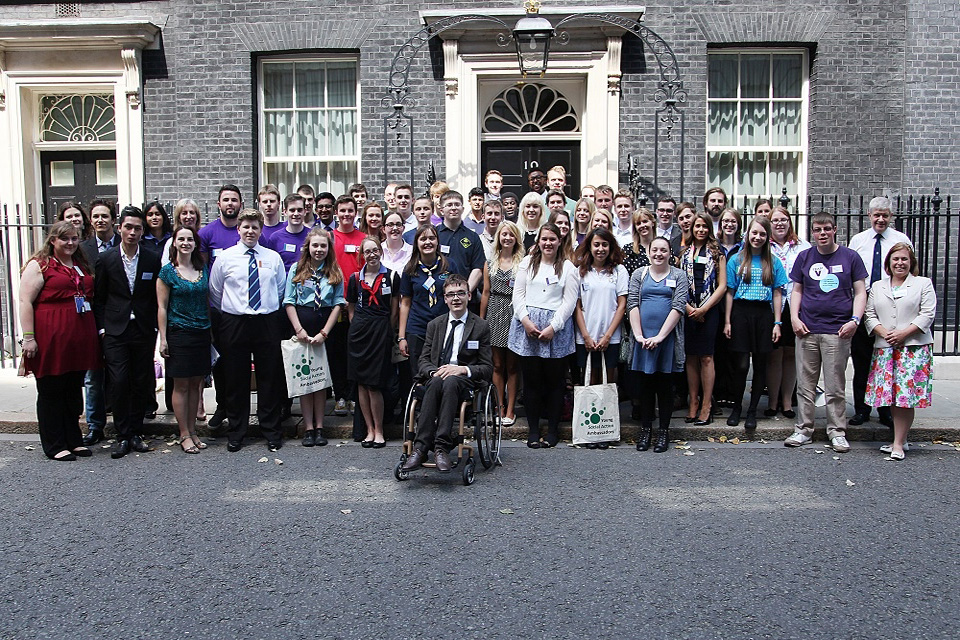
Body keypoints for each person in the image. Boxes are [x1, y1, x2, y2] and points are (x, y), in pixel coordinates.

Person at [784, 212, 868, 452]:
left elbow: (860, 292)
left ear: (835, 230)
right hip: (807, 330)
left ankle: (837, 432)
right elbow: (796, 290)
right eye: (818, 229)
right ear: (813, 232)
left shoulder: (850, 257)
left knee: (835, 386)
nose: (822, 233)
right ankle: (803, 430)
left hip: (838, 331)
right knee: (805, 385)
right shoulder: (804, 257)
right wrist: (794, 318)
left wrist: (855, 320)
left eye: (827, 229)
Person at [19, 221, 101, 460]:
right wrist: (28, 338)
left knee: (73, 391)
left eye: (75, 239)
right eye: (65, 239)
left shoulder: (79, 264)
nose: (70, 243)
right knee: (51, 391)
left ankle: (73, 439)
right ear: (53, 240)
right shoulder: (40, 265)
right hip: (50, 337)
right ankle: (54, 444)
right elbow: (25, 302)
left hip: (77, 338)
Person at [209, 208, 287, 453]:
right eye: (246, 227)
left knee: (269, 378)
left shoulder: (272, 258)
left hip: (267, 322)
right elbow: (215, 291)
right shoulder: (225, 258)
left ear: (261, 230)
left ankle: (271, 431)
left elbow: (281, 289)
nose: (250, 231)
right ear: (238, 229)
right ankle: (237, 432)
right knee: (236, 379)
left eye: (255, 227)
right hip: (235, 322)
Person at [400, 274, 494, 472]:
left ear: (469, 295)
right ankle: (421, 448)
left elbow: (487, 368)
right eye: (451, 295)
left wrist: (461, 369)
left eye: (461, 293)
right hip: (437, 378)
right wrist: (435, 371)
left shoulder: (481, 326)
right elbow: (423, 360)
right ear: (445, 299)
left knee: (451, 381)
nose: (456, 298)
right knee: (436, 381)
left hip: (464, 382)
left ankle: (441, 447)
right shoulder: (435, 325)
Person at [94, 206, 161, 459]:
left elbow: (156, 296)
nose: (132, 232)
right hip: (114, 329)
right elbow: (99, 298)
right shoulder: (107, 259)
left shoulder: (152, 258)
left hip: (142, 328)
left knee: (140, 381)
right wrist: (102, 328)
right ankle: (122, 435)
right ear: (119, 228)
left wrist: (155, 326)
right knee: (119, 381)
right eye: (128, 227)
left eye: (137, 228)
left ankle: (135, 432)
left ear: (143, 231)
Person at [508, 222, 579, 448]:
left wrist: (553, 327)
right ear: (538, 241)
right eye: (544, 239)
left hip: (555, 331)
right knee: (531, 383)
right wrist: (526, 321)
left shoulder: (568, 268)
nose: (548, 243)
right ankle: (533, 429)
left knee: (555, 383)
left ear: (560, 241)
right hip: (528, 329)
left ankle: (553, 430)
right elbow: (518, 295)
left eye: (552, 239)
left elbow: (569, 303)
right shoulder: (527, 264)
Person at [864, 243, 936, 460]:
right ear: (889, 263)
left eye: (904, 259)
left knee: (905, 397)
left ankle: (897, 444)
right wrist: (885, 333)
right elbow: (869, 315)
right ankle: (901, 438)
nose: (900, 263)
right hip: (886, 348)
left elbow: (928, 313)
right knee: (893, 397)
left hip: (912, 348)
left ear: (911, 262)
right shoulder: (878, 286)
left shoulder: (923, 283)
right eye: (896, 259)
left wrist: (904, 333)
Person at [848, 196, 913, 428]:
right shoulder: (859, 241)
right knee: (862, 360)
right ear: (869, 215)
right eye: (877, 215)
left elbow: (909, 270)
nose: (881, 219)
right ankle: (862, 410)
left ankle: (885, 411)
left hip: (891, 306)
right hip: (864, 304)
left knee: (887, 362)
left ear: (891, 216)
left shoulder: (900, 240)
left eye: (885, 215)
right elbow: (850, 273)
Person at [723, 216, 787, 429]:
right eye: (754, 233)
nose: (757, 237)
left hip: (763, 314)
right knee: (741, 365)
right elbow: (730, 292)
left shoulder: (774, 262)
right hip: (741, 313)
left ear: (767, 237)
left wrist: (778, 323)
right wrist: (727, 321)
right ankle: (737, 407)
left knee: (761, 365)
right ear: (747, 234)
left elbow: (777, 293)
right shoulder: (736, 260)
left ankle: (752, 411)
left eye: (762, 234)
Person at [284, 227, 345, 447]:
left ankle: (320, 426)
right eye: (315, 245)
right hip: (302, 326)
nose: (319, 249)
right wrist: (299, 330)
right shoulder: (296, 269)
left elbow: (338, 304)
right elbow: (289, 301)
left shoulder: (334, 271)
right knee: (305, 379)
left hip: (325, 329)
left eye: (323, 245)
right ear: (308, 247)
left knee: (320, 380)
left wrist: (324, 333)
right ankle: (308, 427)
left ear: (329, 248)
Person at [628, 237, 688, 453]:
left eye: (663, 250)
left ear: (670, 253)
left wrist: (661, 337)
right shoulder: (639, 274)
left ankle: (663, 431)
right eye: (655, 250)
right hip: (643, 340)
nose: (659, 254)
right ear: (649, 252)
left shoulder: (678, 275)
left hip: (667, 340)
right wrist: (639, 336)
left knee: (664, 387)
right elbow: (632, 303)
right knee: (645, 387)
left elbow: (679, 306)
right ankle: (645, 430)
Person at [157, 226, 211, 454]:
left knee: (195, 383)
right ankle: (184, 434)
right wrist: (163, 339)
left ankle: (194, 431)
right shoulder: (167, 272)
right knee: (181, 385)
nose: (186, 243)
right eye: (182, 239)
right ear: (175, 243)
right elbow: (161, 307)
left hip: (202, 332)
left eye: (190, 239)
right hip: (179, 333)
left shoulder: (202, 269)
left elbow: (209, 300)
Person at [573, 228, 628, 449]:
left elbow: (622, 304)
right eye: (596, 244)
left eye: (605, 244)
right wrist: (585, 334)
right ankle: (588, 432)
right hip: (585, 336)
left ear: (610, 246)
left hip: (609, 338)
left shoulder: (619, 271)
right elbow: (576, 305)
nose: (600, 249)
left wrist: (607, 335)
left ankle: (604, 430)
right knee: (588, 380)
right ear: (589, 247)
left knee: (607, 381)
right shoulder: (580, 271)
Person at [346, 236, 400, 448]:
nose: (372, 254)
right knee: (361, 383)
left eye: (375, 250)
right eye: (367, 251)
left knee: (375, 384)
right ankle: (368, 429)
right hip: (359, 333)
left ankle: (379, 430)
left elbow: (395, 308)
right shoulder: (354, 278)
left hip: (381, 331)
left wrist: (387, 329)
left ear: (381, 251)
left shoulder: (392, 276)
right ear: (362, 255)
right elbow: (350, 306)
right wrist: (356, 326)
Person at [78, 199, 119, 445]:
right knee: (93, 376)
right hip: (91, 318)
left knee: (121, 375)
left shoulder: (126, 243)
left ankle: (127, 423)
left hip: (120, 319)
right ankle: (95, 425)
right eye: (95, 217)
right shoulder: (83, 249)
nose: (100, 220)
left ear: (113, 219)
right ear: (90, 221)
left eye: (104, 216)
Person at [681, 213, 727, 425]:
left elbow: (722, 286)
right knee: (690, 357)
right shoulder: (683, 252)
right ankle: (693, 402)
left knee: (706, 357)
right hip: (688, 310)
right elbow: (678, 283)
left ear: (709, 228)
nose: (700, 230)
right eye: (697, 226)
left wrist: (704, 309)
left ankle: (707, 404)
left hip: (709, 311)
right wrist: (691, 309)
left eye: (704, 226)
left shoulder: (718, 253)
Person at [766, 207, 810, 419]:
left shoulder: (802, 247)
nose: (780, 224)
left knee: (791, 355)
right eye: (775, 220)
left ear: (790, 222)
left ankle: (787, 402)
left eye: (784, 220)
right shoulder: (764, 245)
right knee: (774, 355)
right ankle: (772, 401)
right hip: (771, 306)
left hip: (795, 305)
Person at [480, 221, 524, 427]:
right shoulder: (490, 261)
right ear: (498, 237)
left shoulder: (523, 262)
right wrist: (481, 321)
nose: (507, 238)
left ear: (516, 238)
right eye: (504, 234)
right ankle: (498, 407)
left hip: (515, 312)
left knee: (513, 366)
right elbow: (486, 292)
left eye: (511, 235)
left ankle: (510, 409)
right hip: (495, 311)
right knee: (497, 365)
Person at [399, 224, 455, 375]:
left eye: (432, 238)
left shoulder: (449, 265)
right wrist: (402, 337)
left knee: (442, 371)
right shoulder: (410, 269)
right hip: (417, 328)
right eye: (423, 239)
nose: (427, 242)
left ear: (438, 241)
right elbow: (405, 303)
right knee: (418, 372)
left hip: (443, 326)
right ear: (417, 243)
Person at [330, 195, 367, 416]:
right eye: (342, 210)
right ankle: (340, 396)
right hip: (335, 305)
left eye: (350, 211)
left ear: (355, 213)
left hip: (356, 305)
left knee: (354, 352)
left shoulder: (363, 238)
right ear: (336, 212)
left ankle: (354, 395)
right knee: (336, 352)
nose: (346, 215)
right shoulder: (329, 237)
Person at [434, 191, 485, 294]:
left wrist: (465, 292)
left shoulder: (473, 237)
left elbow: (478, 268)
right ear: (441, 210)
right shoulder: (434, 235)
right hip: (439, 295)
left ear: (463, 209)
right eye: (449, 205)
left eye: (457, 204)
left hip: (466, 297)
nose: (454, 208)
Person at [266, 194, 310, 272]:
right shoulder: (275, 238)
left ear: (305, 211)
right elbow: (270, 267)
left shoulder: (313, 236)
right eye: (292, 210)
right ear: (285, 212)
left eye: (299, 210)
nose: (296, 214)